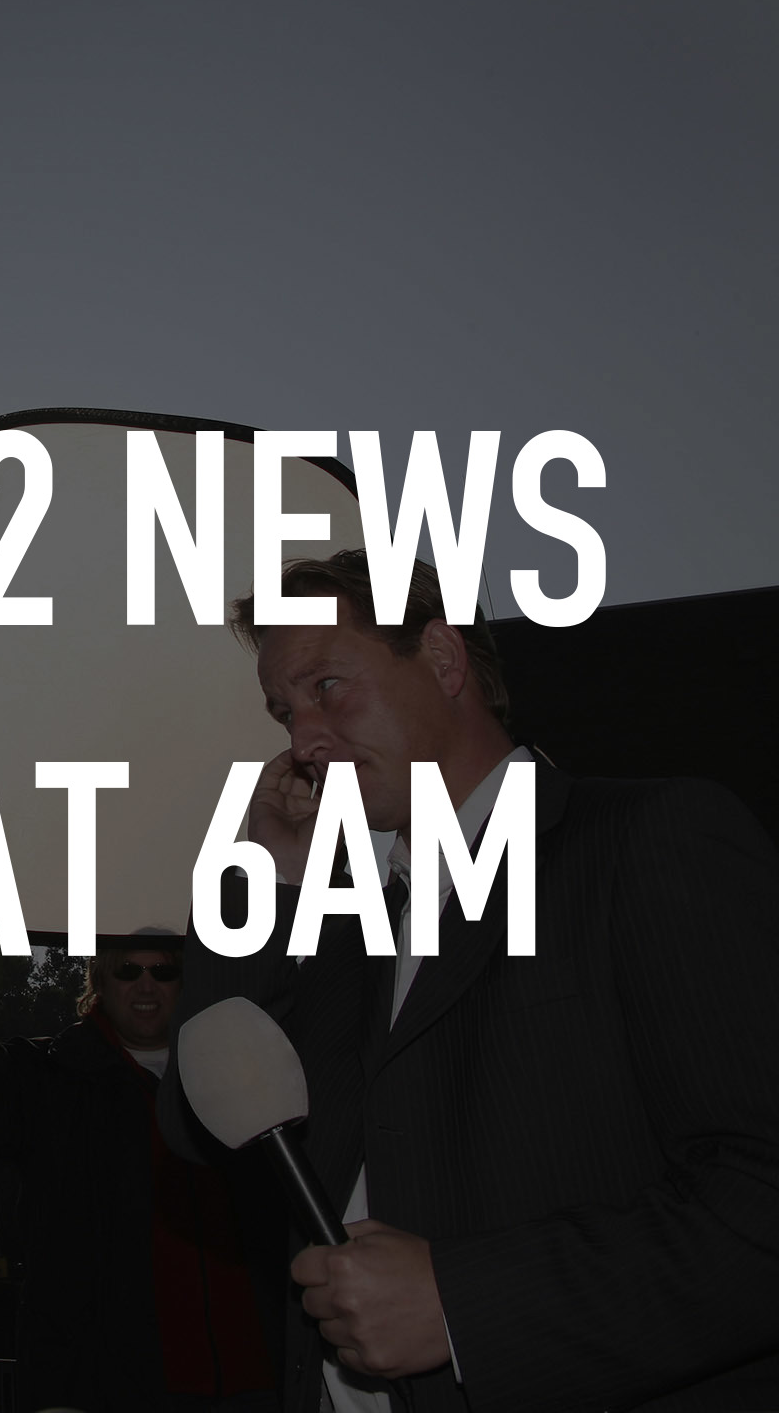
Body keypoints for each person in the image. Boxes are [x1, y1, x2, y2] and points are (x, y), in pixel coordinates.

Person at [158, 549, 779, 1413]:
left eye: (327, 686)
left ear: (444, 659)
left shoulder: (646, 840)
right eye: (285, 711)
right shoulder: (346, 931)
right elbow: (201, 1129)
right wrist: (270, 882)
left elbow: (759, 1198)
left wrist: (462, 1306)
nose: (302, 740)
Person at [0, 882, 282, 1413]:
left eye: (164, 971)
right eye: (128, 970)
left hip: (255, 1382)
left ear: (187, 982)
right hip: (105, 1389)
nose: (146, 985)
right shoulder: (54, 1081)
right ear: (100, 980)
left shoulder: (244, 1077)